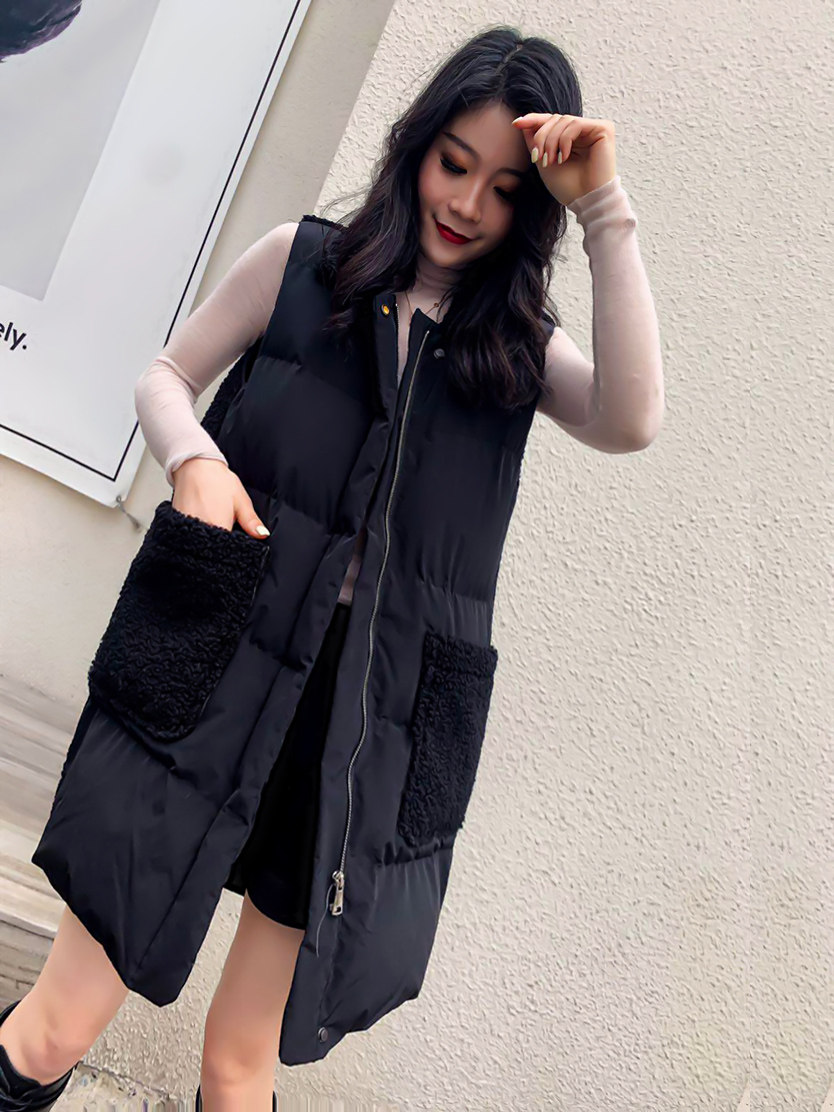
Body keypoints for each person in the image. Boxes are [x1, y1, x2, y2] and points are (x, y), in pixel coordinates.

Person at [1, 25, 663, 1112]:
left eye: (505, 190)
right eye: (454, 163)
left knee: (238, 1066)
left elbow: (633, 418)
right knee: (56, 1024)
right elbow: (166, 376)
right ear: (417, 147)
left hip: (365, 725)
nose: (467, 203)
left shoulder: (514, 351)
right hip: (213, 670)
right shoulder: (304, 264)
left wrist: (604, 207)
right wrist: (195, 461)